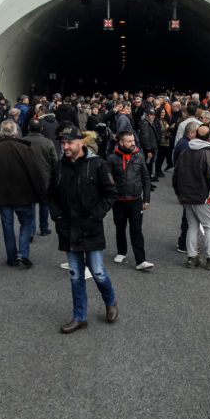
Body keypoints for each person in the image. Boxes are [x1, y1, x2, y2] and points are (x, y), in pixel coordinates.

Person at [47, 127, 119, 333]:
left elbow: (111, 193)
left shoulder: (98, 165)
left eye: (69, 142)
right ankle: (79, 317)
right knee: (75, 274)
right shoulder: (58, 166)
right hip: (68, 229)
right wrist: (57, 215)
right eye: (63, 142)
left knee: (98, 272)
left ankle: (110, 301)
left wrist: (96, 214)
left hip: (91, 228)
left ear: (81, 142)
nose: (65, 146)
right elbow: (49, 194)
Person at [0, 120, 45, 268]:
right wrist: (41, 193)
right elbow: (34, 172)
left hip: (2, 194)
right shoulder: (24, 149)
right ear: (16, 133)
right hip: (24, 194)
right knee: (26, 223)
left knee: (7, 226)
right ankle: (22, 253)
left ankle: (11, 257)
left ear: (1, 133)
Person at [173, 124, 210, 270]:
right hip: (203, 197)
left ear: (196, 136)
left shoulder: (185, 151)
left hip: (187, 196)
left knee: (192, 226)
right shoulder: (209, 154)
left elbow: (176, 175)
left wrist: (179, 194)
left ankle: (192, 258)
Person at [107, 130, 153, 271]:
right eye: (129, 141)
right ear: (121, 142)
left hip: (135, 200)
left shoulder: (139, 156)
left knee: (136, 230)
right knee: (120, 227)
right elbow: (108, 179)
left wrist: (146, 198)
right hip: (119, 201)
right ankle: (121, 252)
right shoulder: (112, 158)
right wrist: (111, 195)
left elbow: (146, 178)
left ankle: (141, 260)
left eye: (133, 140)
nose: (133, 143)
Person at [24, 119, 59, 237]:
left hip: (27, 177)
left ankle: (31, 230)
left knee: (30, 205)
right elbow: (55, 161)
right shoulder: (48, 142)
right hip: (45, 177)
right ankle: (44, 227)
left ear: (29, 128)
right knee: (44, 204)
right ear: (42, 129)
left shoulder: (22, 142)